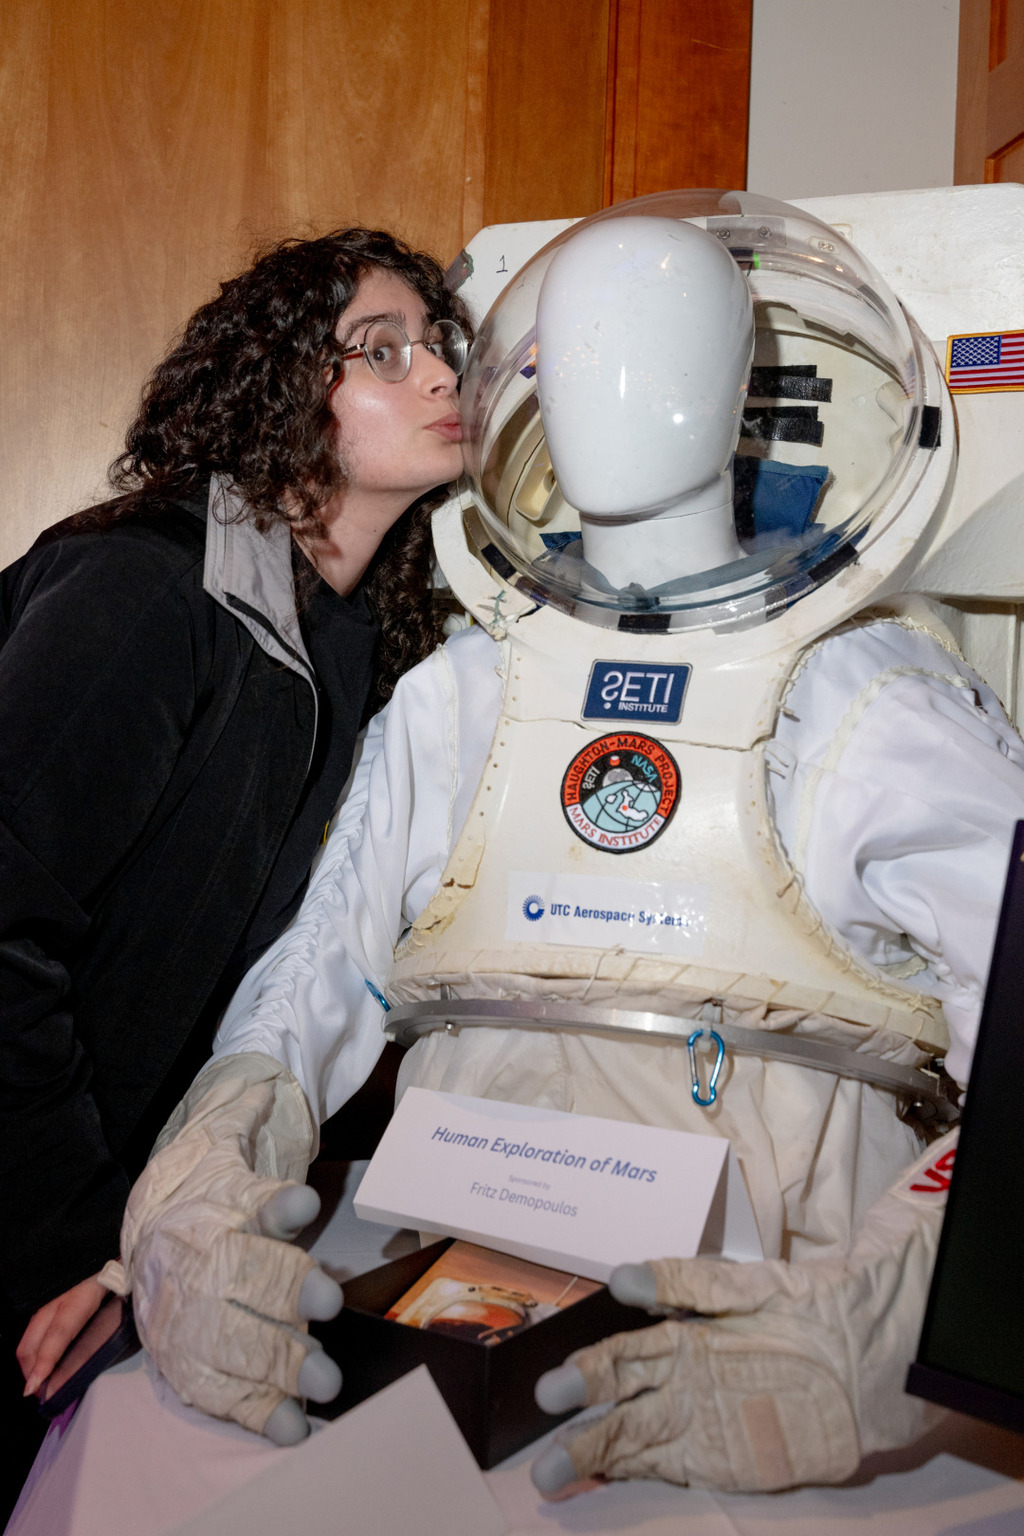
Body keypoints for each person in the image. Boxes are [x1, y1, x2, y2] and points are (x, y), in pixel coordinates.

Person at [107, 207, 1024, 1478]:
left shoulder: (873, 701)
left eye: (657, 347)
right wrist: (192, 1196)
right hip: (435, 1334)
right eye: (580, 350)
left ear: (736, 394)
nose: (612, 384)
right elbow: (316, 977)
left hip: (761, 1353)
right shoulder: (462, 692)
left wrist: (891, 1322)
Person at [0, 226, 470, 1487]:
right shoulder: (139, 593)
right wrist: (76, 1236)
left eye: (443, 348)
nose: (440, 378)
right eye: (383, 351)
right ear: (273, 386)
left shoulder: (365, 653)